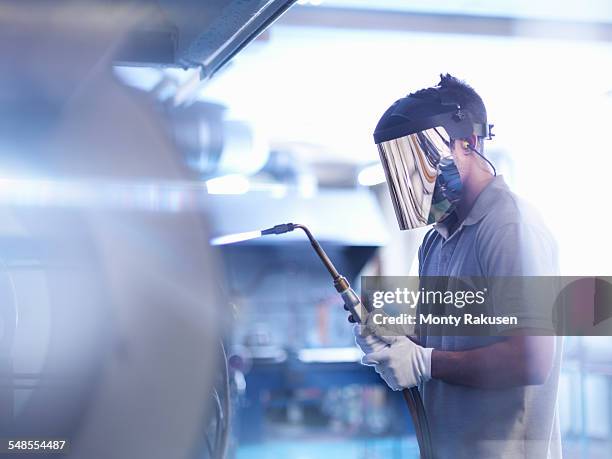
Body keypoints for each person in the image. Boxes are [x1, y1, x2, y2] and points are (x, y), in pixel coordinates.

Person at [354, 74, 562, 458]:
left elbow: (531, 359)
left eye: (421, 162)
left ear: (468, 143)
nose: (413, 180)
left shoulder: (510, 227)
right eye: (402, 167)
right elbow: (434, 339)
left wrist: (425, 363)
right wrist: (390, 338)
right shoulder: (436, 238)